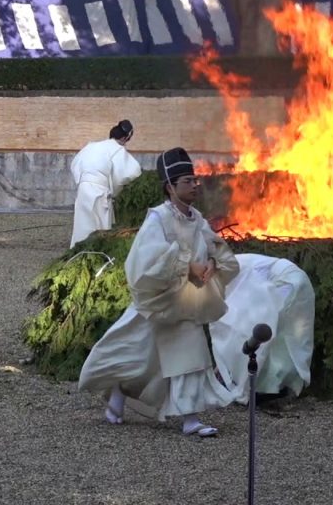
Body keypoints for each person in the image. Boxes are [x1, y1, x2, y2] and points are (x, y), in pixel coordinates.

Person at [77, 147, 240, 437]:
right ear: (170, 187)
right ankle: (126, 399)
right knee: (140, 353)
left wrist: (213, 263)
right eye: (187, 181)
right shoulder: (158, 219)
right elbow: (144, 261)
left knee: (182, 353)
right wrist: (185, 264)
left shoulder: (195, 217)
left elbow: (213, 244)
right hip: (161, 300)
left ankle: (182, 416)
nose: (194, 186)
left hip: (187, 301)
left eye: (195, 180)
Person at [210, 253, 315, 405]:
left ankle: (251, 387)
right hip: (298, 280)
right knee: (283, 337)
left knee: (260, 333)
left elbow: (236, 313)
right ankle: (272, 388)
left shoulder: (227, 270)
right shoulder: (232, 263)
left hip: (286, 283)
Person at [69, 119, 142, 248]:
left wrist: (81, 182)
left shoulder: (91, 146)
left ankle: (78, 251)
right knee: (99, 228)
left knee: (82, 226)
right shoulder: (117, 149)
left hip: (83, 189)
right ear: (124, 139)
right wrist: (114, 190)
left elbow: (75, 164)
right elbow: (131, 173)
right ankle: (96, 253)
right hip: (99, 190)